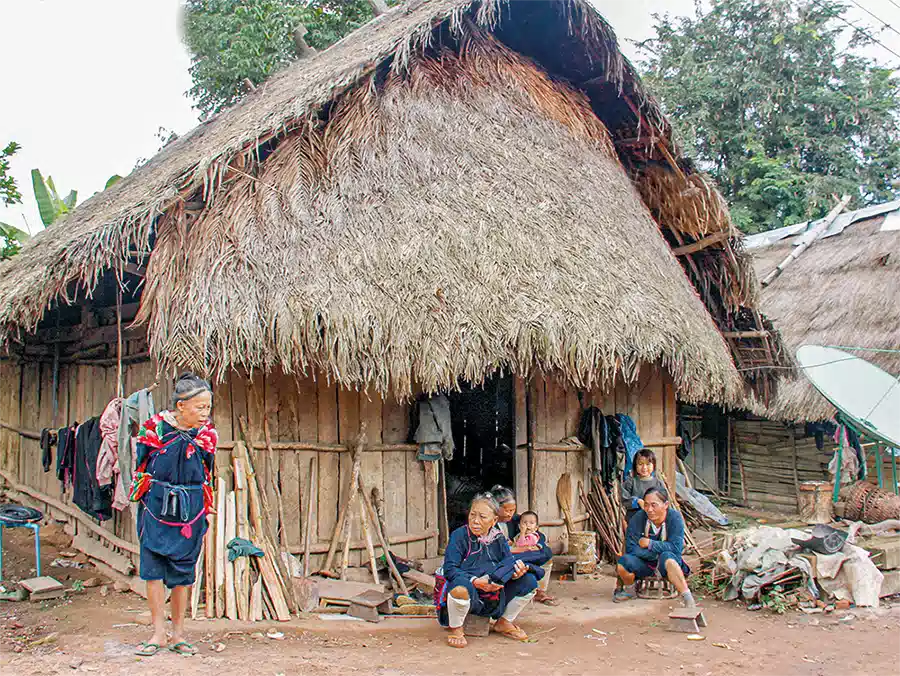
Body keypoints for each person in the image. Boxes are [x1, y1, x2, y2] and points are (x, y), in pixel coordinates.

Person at [131, 373, 217, 656]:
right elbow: (141, 465)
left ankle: (178, 634)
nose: (205, 413)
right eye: (199, 407)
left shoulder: (207, 436)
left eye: (208, 407)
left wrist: (205, 508)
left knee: (183, 572)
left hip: (190, 511)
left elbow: (207, 474)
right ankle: (158, 633)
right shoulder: (154, 429)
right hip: (156, 507)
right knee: (153, 570)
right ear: (181, 405)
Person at [437, 493, 541, 648]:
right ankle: (457, 629)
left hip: (494, 594)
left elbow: (507, 563)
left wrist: (514, 574)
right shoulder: (459, 536)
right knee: (459, 586)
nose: (475, 521)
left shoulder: (498, 538)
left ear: (494, 521)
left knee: (529, 581)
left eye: (482, 517)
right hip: (470, 590)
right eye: (472, 515)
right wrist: (475, 581)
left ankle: (504, 622)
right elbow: (450, 569)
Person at [613, 486, 695, 607]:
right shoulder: (638, 518)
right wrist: (656, 553)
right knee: (623, 563)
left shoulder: (674, 518)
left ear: (666, 505)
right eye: (646, 505)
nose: (649, 509)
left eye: (654, 505)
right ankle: (630, 589)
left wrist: (650, 544)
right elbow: (631, 548)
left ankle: (688, 598)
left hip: (666, 563)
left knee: (669, 559)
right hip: (645, 563)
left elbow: (676, 549)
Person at [490, 485, 557, 605]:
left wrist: (538, 545)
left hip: (522, 554)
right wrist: (517, 549)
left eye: (513, 510)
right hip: (503, 558)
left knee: (546, 552)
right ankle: (531, 572)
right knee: (530, 559)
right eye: (507, 510)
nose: (510, 514)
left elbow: (539, 535)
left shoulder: (516, 520)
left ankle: (540, 591)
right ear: (495, 508)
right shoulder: (488, 523)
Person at [620, 448, 667, 524]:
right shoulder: (631, 482)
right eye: (640, 464)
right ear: (635, 466)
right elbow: (624, 498)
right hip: (634, 520)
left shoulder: (657, 483)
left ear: (654, 465)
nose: (644, 468)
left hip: (653, 521)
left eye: (648, 464)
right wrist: (637, 501)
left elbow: (663, 500)